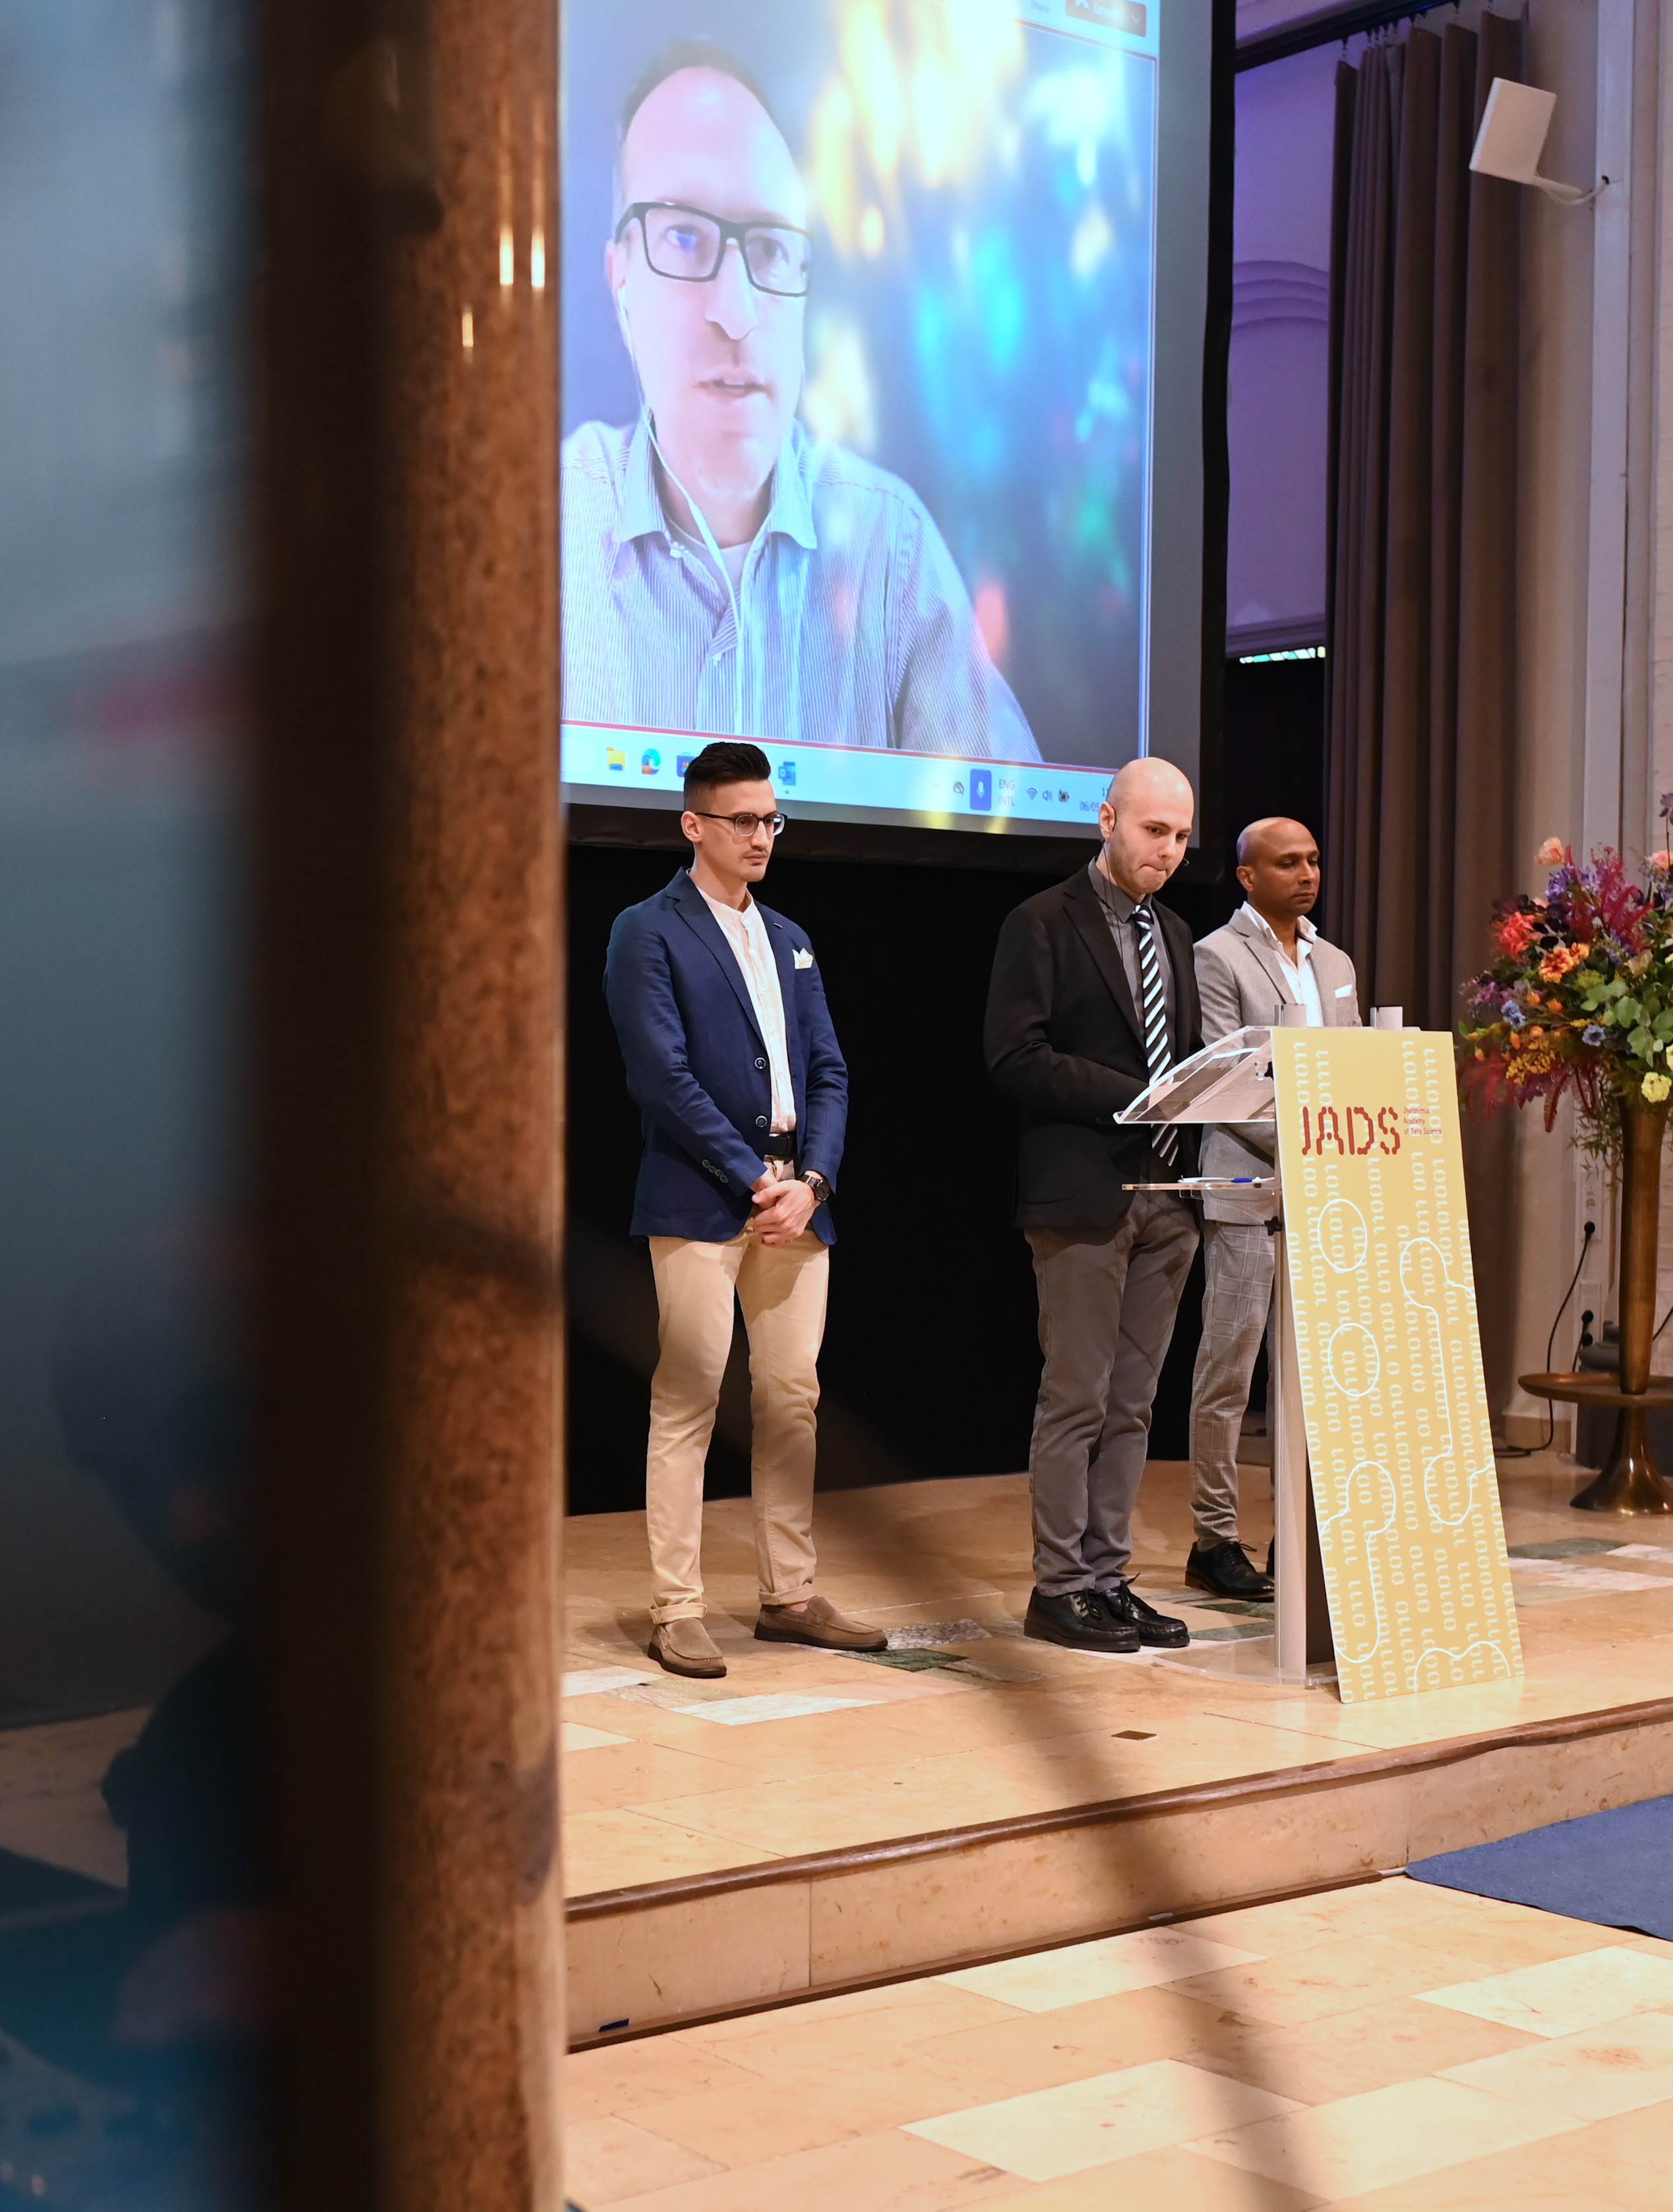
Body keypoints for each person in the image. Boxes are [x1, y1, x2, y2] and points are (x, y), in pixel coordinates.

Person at [560, 44, 1039, 763]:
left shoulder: (889, 548)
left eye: (770, 250)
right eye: (684, 237)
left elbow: (1007, 816)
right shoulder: (542, 526)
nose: (737, 312)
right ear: (619, 277)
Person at [601, 740, 884, 1678]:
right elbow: (660, 1076)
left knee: (792, 1396)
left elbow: (830, 1069)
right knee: (688, 1397)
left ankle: (788, 1594)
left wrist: (813, 1182)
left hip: (798, 1203)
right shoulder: (648, 929)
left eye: (771, 818)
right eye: (742, 820)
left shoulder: (790, 934)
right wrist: (752, 1178)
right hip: (701, 1196)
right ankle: (677, 1606)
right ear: (694, 824)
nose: (761, 835)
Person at [983, 756, 1205, 1653]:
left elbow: (1177, 1054)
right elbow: (1012, 1054)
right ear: (1106, 820)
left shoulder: (1175, 931)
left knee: (1133, 1403)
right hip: (1081, 1194)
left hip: (1167, 1195)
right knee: (1075, 1395)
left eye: (1181, 837)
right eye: (1154, 831)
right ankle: (1059, 1585)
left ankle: (1109, 1578)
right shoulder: (1042, 921)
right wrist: (1135, 1096)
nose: (1169, 851)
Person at [1180, 818, 1361, 1599]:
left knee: (1314, 1376)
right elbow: (1227, 1081)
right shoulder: (1215, 956)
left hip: (1325, 1197)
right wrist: (1306, 1144)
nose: (1307, 873)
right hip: (1247, 1188)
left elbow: (1351, 1067)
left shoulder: (1335, 961)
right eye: (1288, 862)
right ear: (1248, 876)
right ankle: (1214, 1539)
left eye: (1313, 860)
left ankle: (1300, 1531)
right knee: (1229, 1371)